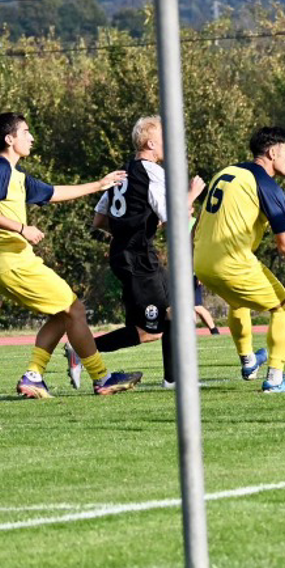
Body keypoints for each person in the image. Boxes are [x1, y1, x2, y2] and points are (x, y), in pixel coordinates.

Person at [0, 111, 141, 399]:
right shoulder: (0, 169)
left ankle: (34, 375)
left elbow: (53, 192)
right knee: (74, 309)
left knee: (65, 315)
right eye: (26, 132)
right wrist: (22, 228)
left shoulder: (17, 175)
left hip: (15, 263)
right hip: (13, 263)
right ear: (10, 139)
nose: (32, 137)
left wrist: (99, 185)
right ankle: (102, 378)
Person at [194, 126, 285, 393]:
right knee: (283, 306)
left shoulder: (226, 172)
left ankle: (249, 361)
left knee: (238, 302)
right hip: (231, 261)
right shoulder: (266, 185)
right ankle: (274, 379)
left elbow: (200, 223)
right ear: (272, 152)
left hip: (201, 260)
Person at [88, 116, 207, 387]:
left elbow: (99, 220)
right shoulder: (152, 172)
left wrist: (125, 233)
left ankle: (174, 379)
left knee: (179, 312)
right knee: (151, 329)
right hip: (138, 257)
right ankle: (84, 351)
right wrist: (191, 195)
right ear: (151, 143)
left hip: (131, 253)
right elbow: (170, 219)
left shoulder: (123, 172)